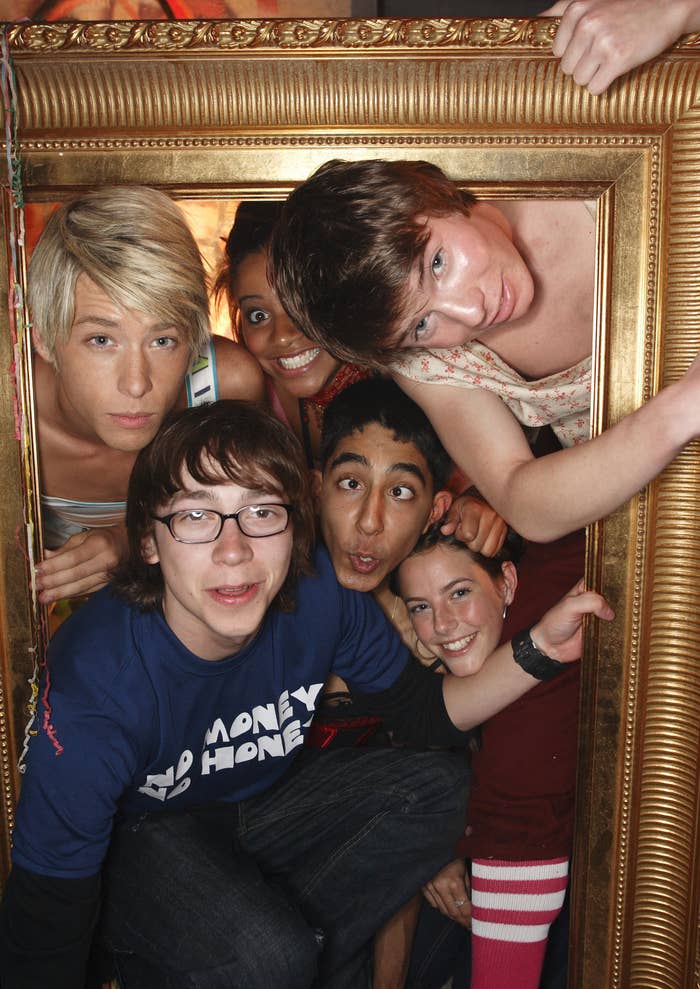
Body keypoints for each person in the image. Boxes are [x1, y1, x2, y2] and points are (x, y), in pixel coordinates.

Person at [0, 399, 613, 989]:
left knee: (438, 791)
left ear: (296, 528)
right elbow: (46, 917)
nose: (233, 549)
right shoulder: (97, 685)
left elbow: (426, 716)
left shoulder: (321, 595)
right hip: (139, 837)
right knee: (266, 955)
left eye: (262, 512)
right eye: (195, 516)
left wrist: (537, 650)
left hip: (259, 805)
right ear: (148, 543)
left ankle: (296, 959)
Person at [270, 156, 700, 543]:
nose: (471, 312)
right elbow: (524, 502)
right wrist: (679, 412)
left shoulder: (579, 169)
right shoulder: (432, 363)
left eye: (437, 264)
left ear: (433, 196)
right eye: (421, 324)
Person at [31, 185, 265, 609]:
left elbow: (252, 533)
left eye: (163, 340)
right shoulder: (14, 408)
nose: (136, 384)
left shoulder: (224, 386)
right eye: (101, 339)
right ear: (44, 338)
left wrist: (127, 542)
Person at [395, 523, 586, 989]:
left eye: (459, 593)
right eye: (421, 606)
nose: (442, 624)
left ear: (508, 583)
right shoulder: (404, 670)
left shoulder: (542, 617)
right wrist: (434, 847)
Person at [214, 199, 373, 470]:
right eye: (258, 315)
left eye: (301, 304)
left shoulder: (414, 379)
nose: (283, 336)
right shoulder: (242, 391)